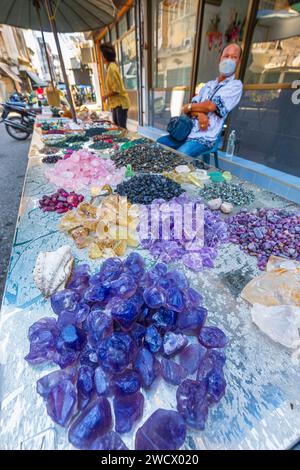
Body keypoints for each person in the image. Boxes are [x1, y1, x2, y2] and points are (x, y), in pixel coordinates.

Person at [157, 43, 244, 158]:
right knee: (158, 144)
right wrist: (200, 114)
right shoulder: (209, 85)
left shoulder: (235, 86)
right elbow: (188, 107)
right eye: (226, 56)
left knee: (178, 158)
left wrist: (192, 108)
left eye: (234, 57)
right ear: (220, 58)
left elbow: (210, 106)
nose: (229, 60)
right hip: (186, 132)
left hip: (205, 138)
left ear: (239, 61)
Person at [100, 43, 130, 129]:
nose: (101, 58)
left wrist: (105, 96)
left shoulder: (112, 68)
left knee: (121, 128)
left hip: (120, 103)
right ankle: (121, 140)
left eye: (102, 55)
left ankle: (125, 141)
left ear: (105, 57)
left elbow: (116, 89)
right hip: (116, 103)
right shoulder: (109, 67)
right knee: (117, 125)